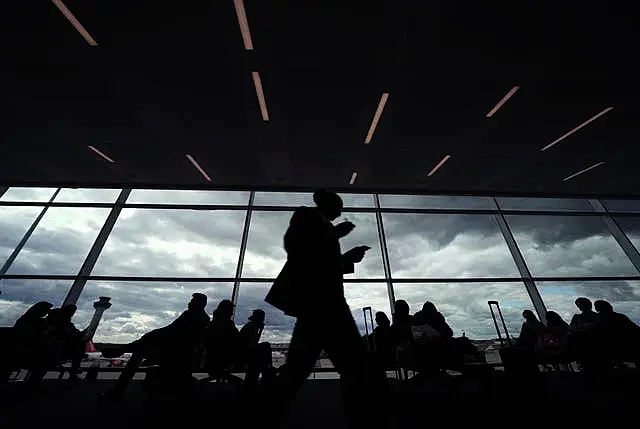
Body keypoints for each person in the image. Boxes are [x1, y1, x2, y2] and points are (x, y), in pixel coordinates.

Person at [264, 189, 382, 428]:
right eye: (338, 208)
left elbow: (321, 263)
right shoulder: (308, 218)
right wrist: (337, 235)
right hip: (324, 304)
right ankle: (360, 417)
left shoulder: (322, 227)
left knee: (300, 365)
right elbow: (301, 252)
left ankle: (270, 411)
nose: (340, 213)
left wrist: (348, 257)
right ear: (328, 204)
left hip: (320, 305)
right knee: (352, 364)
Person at [102, 293, 210, 398]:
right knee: (145, 343)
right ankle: (123, 351)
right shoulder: (202, 319)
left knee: (141, 348)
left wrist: (152, 334)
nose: (189, 303)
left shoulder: (190, 316)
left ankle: (119, 384)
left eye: (192, 301)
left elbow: (170, 331)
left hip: (176, 354)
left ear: (198, 304)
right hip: (180, 353)